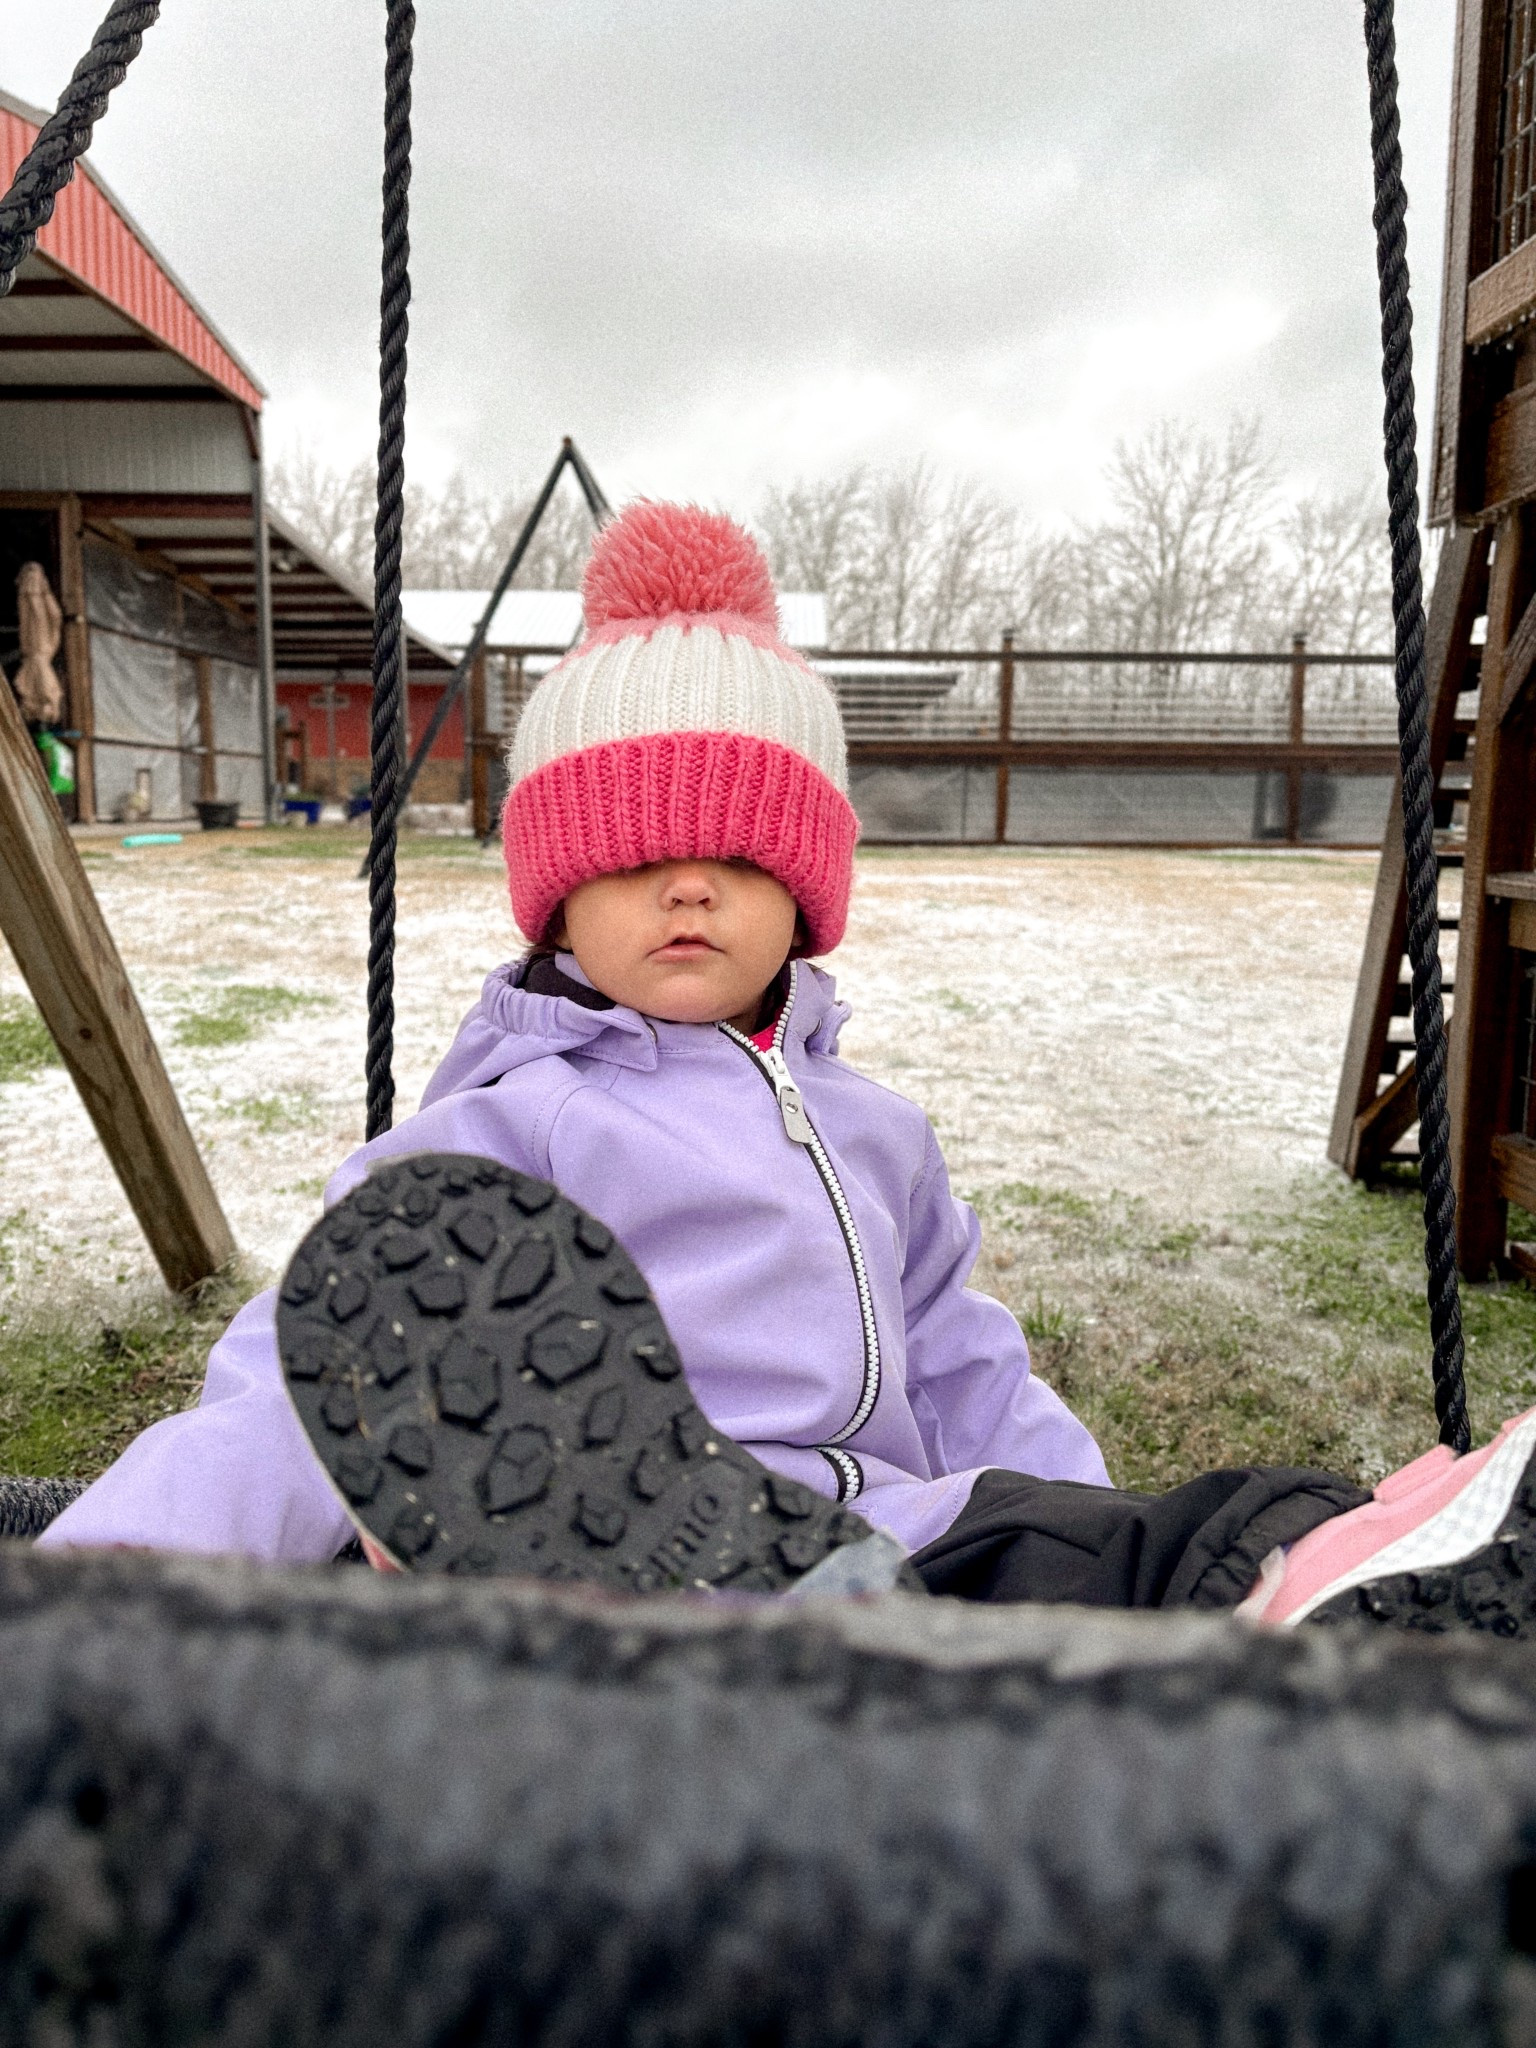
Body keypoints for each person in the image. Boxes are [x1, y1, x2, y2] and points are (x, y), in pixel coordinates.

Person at [38, 502, 1536, 1634]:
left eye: (740, 858)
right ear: (555, 893)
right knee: (430, 1321)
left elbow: (969, 1369)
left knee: (1137, 1542)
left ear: (806, 891)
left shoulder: (875, 1134)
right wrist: (93, 1600)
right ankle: (571, 1612)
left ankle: (1356, 1579)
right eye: (636, 860)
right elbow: (311, 1374)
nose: (690, 892)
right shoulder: (515, 1127)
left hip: (901, 1546)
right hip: (648, 1536)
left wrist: (1105, 1522)